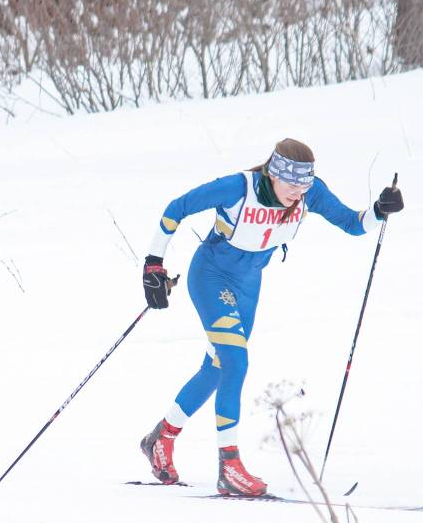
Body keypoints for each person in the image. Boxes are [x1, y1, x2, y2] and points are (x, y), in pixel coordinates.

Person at [139, 138, 403, 496]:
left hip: (248, 284)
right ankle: (229, 467)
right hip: (211, 276)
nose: (298, 193)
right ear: (273, 174)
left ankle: (161, 438)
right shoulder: (238, 188)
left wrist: (380, 209)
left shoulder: (309, 193)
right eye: (291, 184)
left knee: (216, 369)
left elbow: (353, 224)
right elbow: (177, 208)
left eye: (304, 185)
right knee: (235, 362)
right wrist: (153, 263)